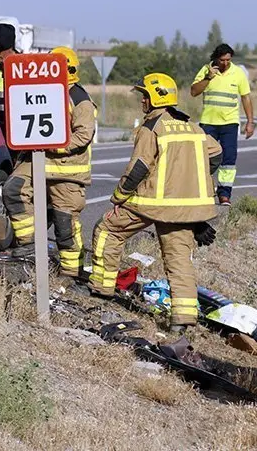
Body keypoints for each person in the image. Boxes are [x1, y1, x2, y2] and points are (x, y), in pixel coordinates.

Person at [88, 73, 222, 332]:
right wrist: (193, 180)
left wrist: (119, 197)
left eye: (144, 96)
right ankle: (182, 320)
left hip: (149, 203)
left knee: (107, 231)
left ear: (154, 99)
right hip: (182, 210)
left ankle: (102, 288)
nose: (142, 102)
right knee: (179, 260)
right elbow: (215, 153)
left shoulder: (152, 128)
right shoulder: (192, 127)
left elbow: (138, 167)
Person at [4, 46, 96, 279]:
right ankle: (29, 246)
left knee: (64, 223)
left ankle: (71, 272)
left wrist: (56, 144)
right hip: (39, 160)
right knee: (13, 189)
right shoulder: (44, 90)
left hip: (67, 169)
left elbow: (84, 135)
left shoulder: (80, 99)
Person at [190, 43, 254, 206]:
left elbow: (246, 97)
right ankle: (204, 191)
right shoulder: (206, 70)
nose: (225, 63)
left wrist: (250, 122)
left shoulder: (238, 73)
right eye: (222, 60)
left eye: (228, 60)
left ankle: (224, 194)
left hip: (230, 124)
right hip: (208, 123)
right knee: (205, 159)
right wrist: (208, 77)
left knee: (229, 160)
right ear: (216, 59)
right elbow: (194, 92)